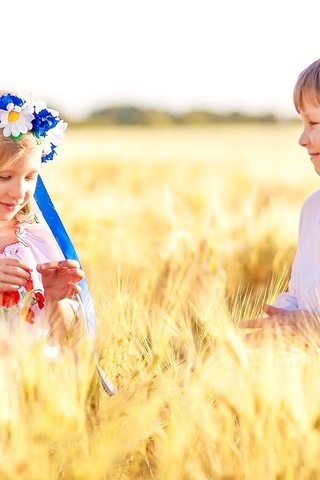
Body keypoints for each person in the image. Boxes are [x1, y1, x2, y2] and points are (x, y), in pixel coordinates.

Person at [239, 59, 320, 343]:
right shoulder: (313, 209)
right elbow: (300, 296)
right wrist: (278, 321)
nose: (302, 139)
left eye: (313, 122)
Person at [0, 91, 86, 350]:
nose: (18, 193)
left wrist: (55, 298)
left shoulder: (37, 240)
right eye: (4, 177)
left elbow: (65, 339)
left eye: (30, 177)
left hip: (32, 380)